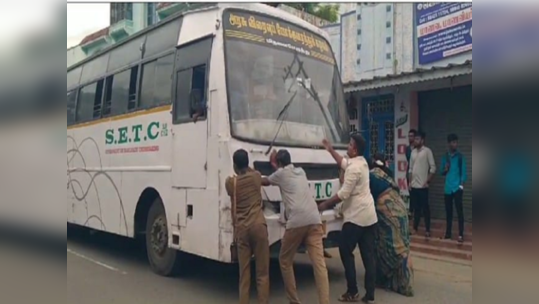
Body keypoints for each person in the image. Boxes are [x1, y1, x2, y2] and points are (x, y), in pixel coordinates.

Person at [262, 149, 330, 304]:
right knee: (319, 265)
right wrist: (276, 165)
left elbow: (266, 181)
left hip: (296, 222)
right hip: (314, 219)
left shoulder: (280, 175)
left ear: (278, 163)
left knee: (284, 259)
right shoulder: (301, 171)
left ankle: (294, 300)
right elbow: (284, 175)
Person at [318, 134, 378, 304]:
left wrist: (324, 205)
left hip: (356, 218)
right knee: (368, 255)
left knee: (345, 250)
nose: (347, 146)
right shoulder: (362, 162)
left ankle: (352, 292)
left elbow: (343, 194)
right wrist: (330, 149)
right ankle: (370, 295)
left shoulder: (354, 169)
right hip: (369, 217)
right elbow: (343, 163)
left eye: (350, 145)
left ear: (355, 149)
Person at [225, 150, 270, 304]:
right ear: (247, 162)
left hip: (242, 230)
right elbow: (256, 173)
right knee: (262, 273)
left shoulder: (231, 183)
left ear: (234, 165)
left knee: (244, 274)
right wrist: (246, 167)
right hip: (259, 227)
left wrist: (238, 169)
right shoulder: (256, 177)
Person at [370, 153, 414, 297]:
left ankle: (402, 282)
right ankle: (391, 278)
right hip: (400, 210)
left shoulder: (372, 175)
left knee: (389, 246)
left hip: (388, 211)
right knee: (400, 244)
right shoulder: (387, 174)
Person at [408, 131, 436, 238]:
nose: (415, 141)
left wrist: (427, 181)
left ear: (422, 140)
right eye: (415, 139)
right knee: (416, 209)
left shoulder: (427, 151)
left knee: (425, 208)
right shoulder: (413, 152)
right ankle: (415, 228)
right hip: (414, 185)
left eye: (417, 139)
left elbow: (433, 168)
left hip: (423, 187)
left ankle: (427, 230)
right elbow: (410, 169)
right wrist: (410, 182)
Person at [441, 134, 468, 243]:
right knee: (449, 212)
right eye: (453, 142)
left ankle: (461, 234)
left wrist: (461, 185)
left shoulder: (460, 157)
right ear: (449, 143)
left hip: (457, 188)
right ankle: (448, 233)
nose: (455, 144)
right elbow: (441, 172)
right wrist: (445, 169)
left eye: (456, 142)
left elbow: (464, 172)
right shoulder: (445, 157)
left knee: (459, 212)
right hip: (447, 188)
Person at [406, 129, 417, 217]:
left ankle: (415, 211)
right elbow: (408, 159)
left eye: (412, 136)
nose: (410, 138)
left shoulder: (418, 149)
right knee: (410, 192)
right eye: (409, 136)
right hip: (409, 172)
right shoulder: (407, 148)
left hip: (417, 172)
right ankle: (411, 211)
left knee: (416, 193)